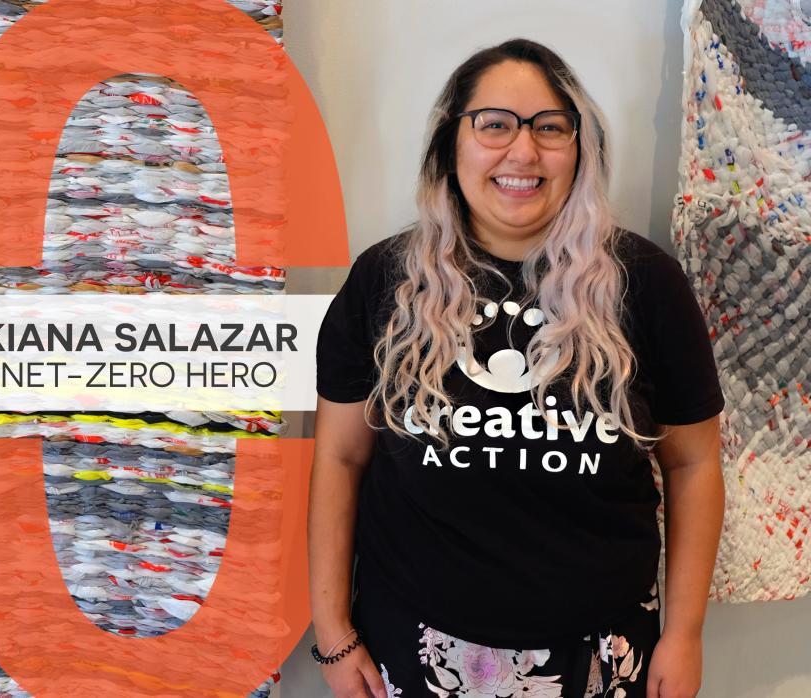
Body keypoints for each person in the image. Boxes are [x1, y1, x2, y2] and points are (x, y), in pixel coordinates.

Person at [309, 38, 725, 698]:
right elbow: (340, 459)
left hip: (603, 655)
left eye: (550, 128)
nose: (523, 152)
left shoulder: (645, 283)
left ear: (580, 149)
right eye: (495, 124)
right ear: (451, 144)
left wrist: (686, 633)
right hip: (412, 646)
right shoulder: (384, 281)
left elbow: (694, 463)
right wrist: (332, 632)